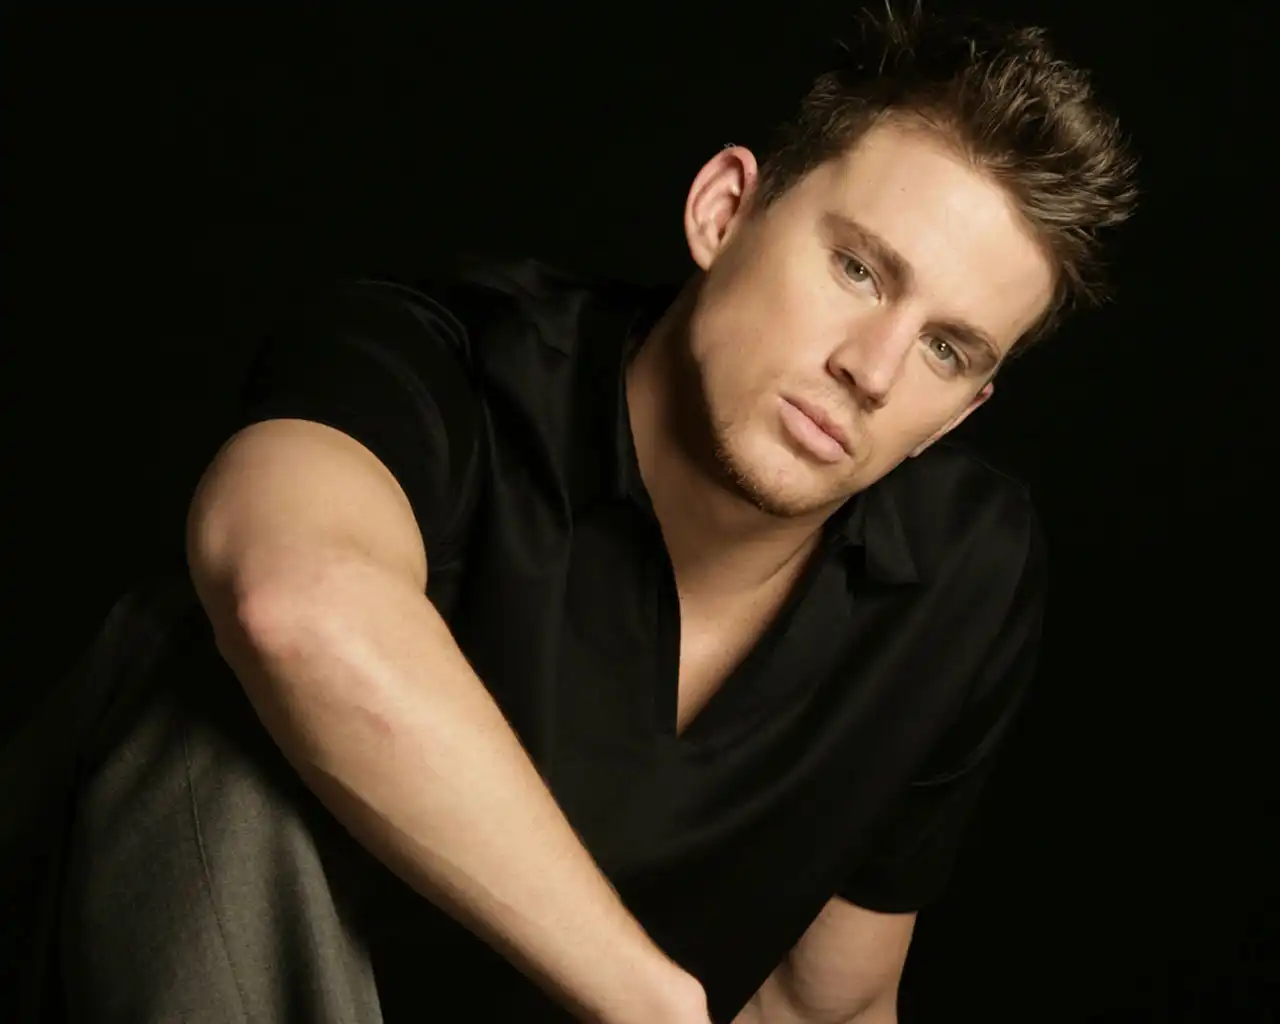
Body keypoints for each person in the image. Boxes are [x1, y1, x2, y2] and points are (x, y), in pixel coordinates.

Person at [12, 4, 1138, 1022]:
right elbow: (290, 596)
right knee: (203, 701)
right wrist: (649, 1002)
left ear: (960, 412)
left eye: (946, 349)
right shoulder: (438, 365)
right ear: (724, 211)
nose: (873, 369)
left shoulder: (964, 570)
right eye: (857, 270)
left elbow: (819, 1004)